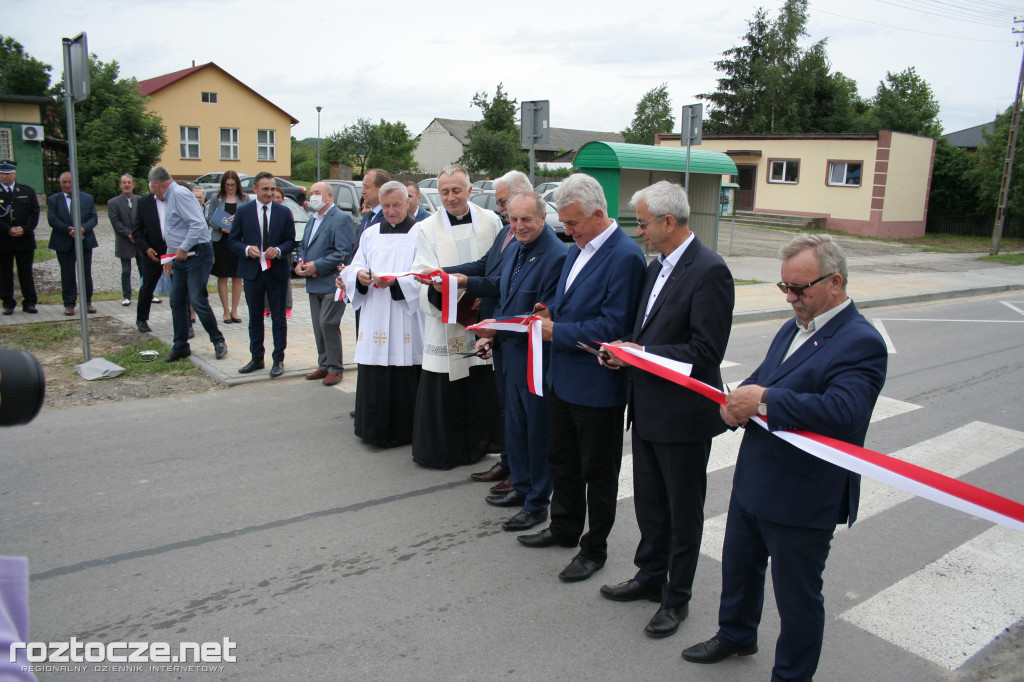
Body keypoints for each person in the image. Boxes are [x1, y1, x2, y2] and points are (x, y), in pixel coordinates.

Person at [682, 234, 888, 681]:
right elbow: (763, 377)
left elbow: (845, 412)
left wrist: (764, 399)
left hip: (803, 495)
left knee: (797, 599)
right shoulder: (796, 323)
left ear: (835, 282)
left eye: (800, 288)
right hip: (757, 477)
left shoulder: (860, 341)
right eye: (784, 288)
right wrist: (736, 401)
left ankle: (791, 675)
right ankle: (736, 633)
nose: (791, 297)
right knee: (739, 568)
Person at [598, 181, 735, 639]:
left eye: (643, 223)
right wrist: (623, 352)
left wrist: (640, 351)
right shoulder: (656, 268)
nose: (640, 232)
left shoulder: (710, 270)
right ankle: (649, 576)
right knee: (650, 504)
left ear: (669, 222)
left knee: (682, 512)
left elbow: (705, 351)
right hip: (648, 408)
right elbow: (647, 334)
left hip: (683, 415)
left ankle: (677, 599)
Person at [516, 173, 646, 584]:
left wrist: (560, 332)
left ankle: (595, 548)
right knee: (563, 461)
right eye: (563, 222)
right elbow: (566, 298)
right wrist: (548, 310)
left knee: (598, 473)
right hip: (563, 378)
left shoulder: (624, 256)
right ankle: (564, 527)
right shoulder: (578, 248)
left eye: (572, 223)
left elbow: (615, 323)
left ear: (598, 213)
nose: (566, 231)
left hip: (597, 384)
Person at [470, 191, 566, 531]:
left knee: (537, 433)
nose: (519, 226)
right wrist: (489, 334)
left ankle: (538, 502)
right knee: (516, 427)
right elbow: (504, 298)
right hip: (510, 357)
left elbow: (543, 314)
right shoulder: (514, 248)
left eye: (526, 219)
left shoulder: (557, 256)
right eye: (513, 219)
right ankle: (522, 488)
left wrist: (495, 331)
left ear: (542, 217)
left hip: (536, 360)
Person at [410, 164, 503, 469]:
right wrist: (455, 299)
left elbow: (498, 266)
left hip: (483, 314)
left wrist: (485, 296)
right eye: (444, 192)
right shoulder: (426, 227)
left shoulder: (491, 221)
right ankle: (447, 450)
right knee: (448, 385)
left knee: (480, 381)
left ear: (469, 190)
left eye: (456, 190)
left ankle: (480, 444)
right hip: (446, 318)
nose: (450, 197)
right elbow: (424, 272)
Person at [445, 169, 532, 492]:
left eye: (504, 202)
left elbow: (499, 282)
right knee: (505, 405)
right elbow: (485, 265)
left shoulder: (526, 236)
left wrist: (466, 282)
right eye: (499, 204)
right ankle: (509, 462)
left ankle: (519, 471)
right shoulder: (506, 231)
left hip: (510, 331)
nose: (500, 210)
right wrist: (445, 274)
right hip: (496, 330)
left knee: (517, 408)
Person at [340, 181, 424, 446]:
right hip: (375, 311)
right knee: (375, 370)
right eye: (386, 206)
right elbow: (354, 266)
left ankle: (405, 431)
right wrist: (359, 276)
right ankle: (372, 429)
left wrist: (398, 282)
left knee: (405, 371)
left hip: (405, 316)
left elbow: (425, 272)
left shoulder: (422, 233)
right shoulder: (371, 233)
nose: (391, 211)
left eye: (396, 205)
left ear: (408, 203)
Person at [147, 166, 228, 363]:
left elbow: (198, 224)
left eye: (152, 188)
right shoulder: (170, 197)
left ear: (157, 185)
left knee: (197, 299)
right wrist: (169, 257)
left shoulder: (180, 194)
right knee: (176, 301)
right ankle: (181, 346)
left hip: (197, 254)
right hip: (180, 256)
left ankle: (218, 340)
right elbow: (173, 229)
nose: (153, 193)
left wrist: (182, 248)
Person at [228, 171, 295, 378]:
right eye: (265, 189)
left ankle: (278, 359)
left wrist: (281, 250)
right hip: (253, 272)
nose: (270, 193)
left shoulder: (284, 212)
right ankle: (257, 357)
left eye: (273, 189)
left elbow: (291, 241)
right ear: (255, 189)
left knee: (278, 318)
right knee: (255, 318)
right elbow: (233, 240)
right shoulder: (244, 212)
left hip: (277, 272)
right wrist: (247, 249)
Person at [295, 182, 354, 386]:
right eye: (311, 193)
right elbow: (303, 245)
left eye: (317, 193)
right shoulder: (313, 219)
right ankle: (324, 364)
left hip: (332, 283)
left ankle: (335, 368)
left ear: (329, 196)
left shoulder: (340, 218)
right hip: (313, 283)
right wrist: (300, 263)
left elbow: (343, 252)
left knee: (327, 323)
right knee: (318, 326)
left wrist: (317, 265)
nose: (313, 196)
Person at [47, 171, 98, 316]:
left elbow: (93, 218)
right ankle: (69, 304)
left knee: (85, 273)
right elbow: (52, 219)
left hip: (84, 240)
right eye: (64, 182)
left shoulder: (87, 198)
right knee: (67, 273)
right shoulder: (53, 200)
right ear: (60, 184)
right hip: (63, 241)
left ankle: (87, 302)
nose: (68, 185)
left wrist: (82, 228)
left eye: (70, 182)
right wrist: (68, 230)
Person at [206, 170, 247, 325]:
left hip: (237, 241)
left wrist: (238, 222)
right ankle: (225, 311)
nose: (230, 188)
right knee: (223, 276)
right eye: (227, 185)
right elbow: (210, 218)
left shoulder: (244, 198)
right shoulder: (216, 198)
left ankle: (235, 310)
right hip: (221, 241)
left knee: (237, 276)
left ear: (237, 185)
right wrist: (220, 227)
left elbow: (249, 218)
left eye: (232, 185)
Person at [0, 160, 40, 315]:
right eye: (2, 173)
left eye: (8, 173)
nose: (5, 176)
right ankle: (8, 303)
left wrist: (24, 229)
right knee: (5, 273)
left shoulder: (27, 191)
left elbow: (34, 213)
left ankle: (29, 302)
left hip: (24, 239)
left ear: (15, 174)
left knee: (26, 272)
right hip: (4, 239)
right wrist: (8, 230)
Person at [131, 182, 168, 334]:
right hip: (153, 252)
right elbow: (137, 231)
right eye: (154, 187)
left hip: (172, 250)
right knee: (147, 286)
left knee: (180, 288)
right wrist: (146, 248)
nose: (158, 190)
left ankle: (186, 322)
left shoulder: (174, 199)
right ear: (151, 187)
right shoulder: (143, 202)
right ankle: (141, 319)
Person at [107, 174, 142, 307]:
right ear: (120, 185)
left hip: (139, 240)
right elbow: (115, 222)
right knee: (126, 270)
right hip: (124, 240)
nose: (127, 185)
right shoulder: (113, 202)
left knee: (143, 268)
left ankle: (148, 293)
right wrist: (128, 234)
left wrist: (137, 234)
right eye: (124, 183)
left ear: (133, 184)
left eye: (129, 182)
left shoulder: (140, 200)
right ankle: (127, 295)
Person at [353, 168, 389, 256]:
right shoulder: (368, 216)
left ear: (381, 189)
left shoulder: (388, 218)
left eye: (366, 187)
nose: (362, 191)